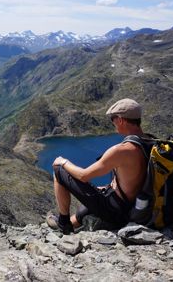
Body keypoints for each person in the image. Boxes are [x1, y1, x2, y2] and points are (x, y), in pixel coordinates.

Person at [49, 98, 147, 233]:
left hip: (118, 212)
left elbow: (83, 176)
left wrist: (63, 162)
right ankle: (72, 223)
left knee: (58, 170)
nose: (113, 123)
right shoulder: (151, 143)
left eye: (113, 119)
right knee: (95, 198)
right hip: (137, 206)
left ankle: (63, 223)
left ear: (120, 120)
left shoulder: (122, 150)